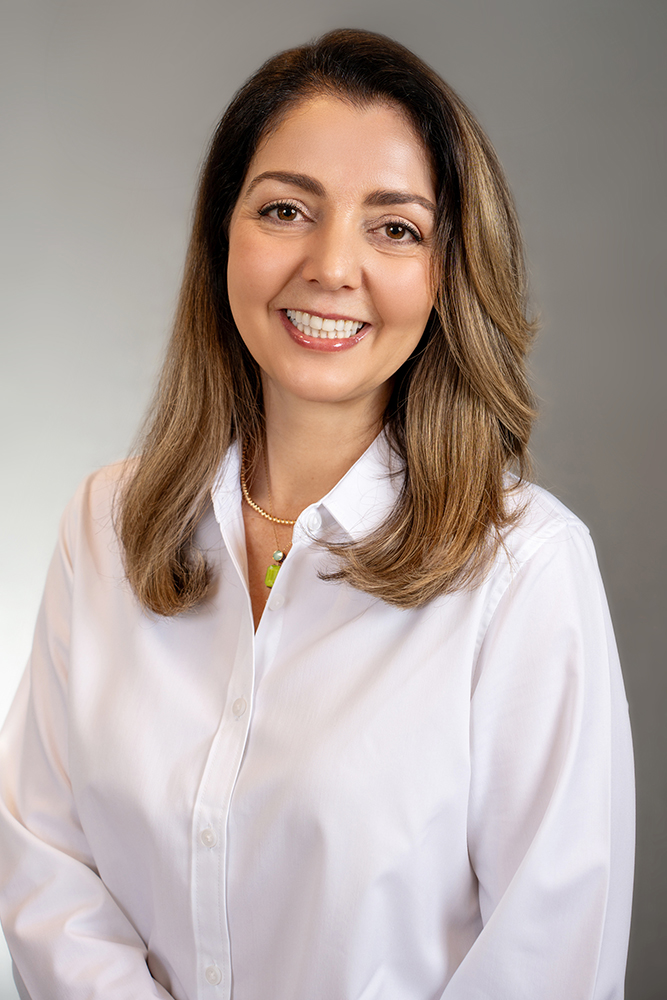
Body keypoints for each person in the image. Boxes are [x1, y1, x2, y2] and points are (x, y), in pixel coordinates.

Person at [0, 28, 634, 1000]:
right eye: (286, 210)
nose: (332, 266)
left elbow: (548, 958)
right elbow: (43, 859)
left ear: (449, 270)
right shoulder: (104, 524)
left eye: (395, 228)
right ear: (224, 234)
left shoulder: (526, 569)